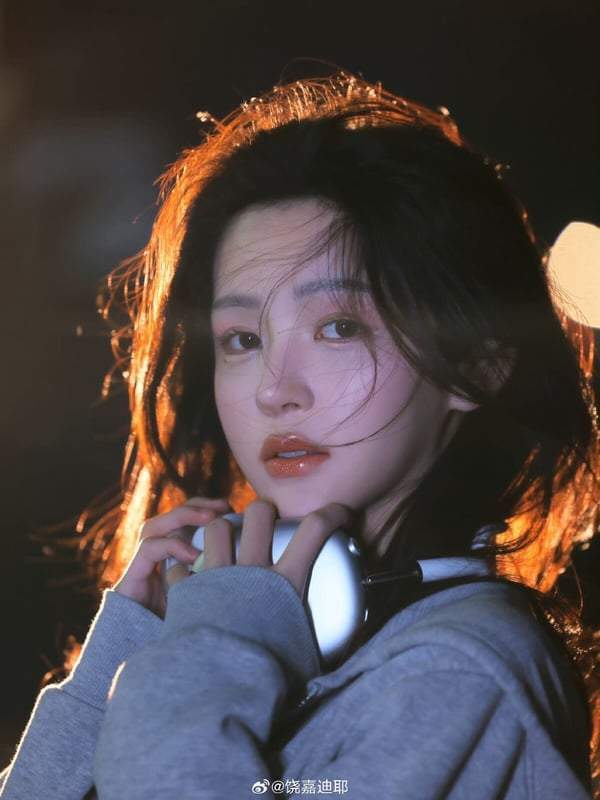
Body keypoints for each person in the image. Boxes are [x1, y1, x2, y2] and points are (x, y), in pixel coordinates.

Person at [1, 68, 599, 799]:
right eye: (242, 339)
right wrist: (113, 671)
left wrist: (206, 655)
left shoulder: (458, 670)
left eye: (338, 327)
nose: (274, 389)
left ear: (475, 367)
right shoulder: (267, 629)